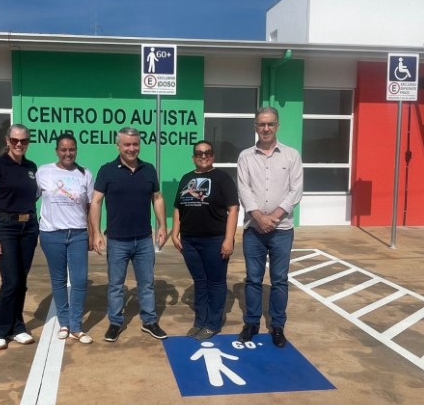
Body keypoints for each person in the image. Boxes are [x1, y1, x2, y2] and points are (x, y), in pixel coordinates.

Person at [89, 127, 169, 342]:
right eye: (127, 144)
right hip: (116, 239)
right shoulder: (107, 170)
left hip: (144, 239)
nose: (131, 148)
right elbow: (96, 202)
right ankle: (115, 322)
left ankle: (149, 321)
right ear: (118, 146)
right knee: (116, 285)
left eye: (135, 144)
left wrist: (162, 226)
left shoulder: (149, 169)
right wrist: (96, 232)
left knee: (147, 283)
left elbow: (158, 198)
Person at [236, 107, 303, 348]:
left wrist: (273, 217)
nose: (266, 129)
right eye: (261, 124)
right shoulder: (245, 156)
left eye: (270, 124)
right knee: (253, 279)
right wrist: (258, 217)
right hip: (253, 229)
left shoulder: (291, 156)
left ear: (277, 126)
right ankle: (251, 323)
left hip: (282, 229)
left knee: (279, 280)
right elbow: (244, 189)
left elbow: (296, 190)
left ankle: (277, 326)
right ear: (255, 127)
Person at [171, 140, 239, 340]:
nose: (203, 156)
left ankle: (212, 323)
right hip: (190, 241)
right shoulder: (186, 178)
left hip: (214, 240)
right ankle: (200, 321)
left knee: (216, 283)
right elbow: (177, 207)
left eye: (207, 152)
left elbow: (233, 209)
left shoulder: (222, 178)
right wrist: (175, 232)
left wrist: (229, 239)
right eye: (199, 153)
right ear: (193, 157)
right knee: (200, 282)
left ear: (213, 156)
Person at [0, 124, 40, 350]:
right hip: (5, 226)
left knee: (21, 282)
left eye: (24, 141)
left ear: (28, 142)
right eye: (15, 140)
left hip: (28, 228)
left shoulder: (31, 167)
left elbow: (32, 196)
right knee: (11, 281)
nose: (19, 144)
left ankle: (17, 327)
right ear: (7, 140)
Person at [36, 133, 94, 344]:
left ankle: (76, 326)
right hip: (51, 234)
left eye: (71, 149)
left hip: (78, 233)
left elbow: (90, 207)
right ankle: (64, 323)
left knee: (79, 280)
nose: (68, 153)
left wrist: (92, 232)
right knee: (59, 281)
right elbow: (29, 198)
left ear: (76, 150)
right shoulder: (44, 171)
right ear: (57, 151)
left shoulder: (85, 173)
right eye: (63, 149)